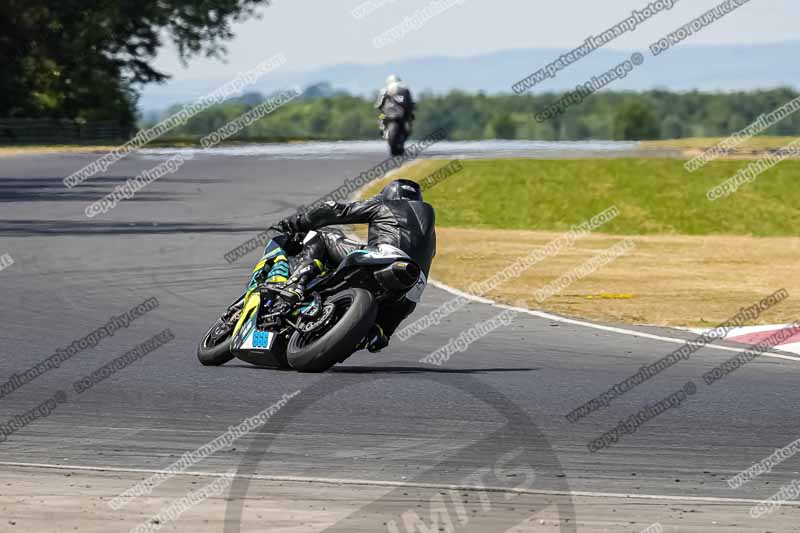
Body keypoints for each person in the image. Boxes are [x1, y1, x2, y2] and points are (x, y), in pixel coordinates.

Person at [264, 179, 435, 352]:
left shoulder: (385, 204)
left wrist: (295, 223)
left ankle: (296, 284)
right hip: (412, 287)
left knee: (321, 236)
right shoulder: (430, 231)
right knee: (381, 331)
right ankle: (377, 333)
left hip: (384, 257)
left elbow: (334, 210)